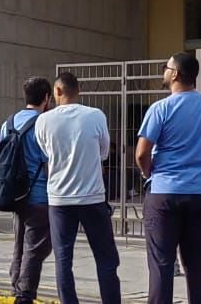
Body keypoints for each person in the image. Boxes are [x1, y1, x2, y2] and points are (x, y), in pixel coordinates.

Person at [135, 53, 201, 304]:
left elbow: (142, 152)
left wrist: (149, 173)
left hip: (164, 191)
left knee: (161, 264)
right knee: (197, 266)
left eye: (166, 68)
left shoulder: (161, 108)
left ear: (174, 74)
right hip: (200, 193)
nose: (164, 71)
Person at [36, 73, 120, 304]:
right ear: (78, 90)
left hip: (59, 199)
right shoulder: (95, 116)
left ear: (58, 91)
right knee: (106, 259)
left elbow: (46, 153)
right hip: (92, 197)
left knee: (63, 259)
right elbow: (104, 152)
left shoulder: (43, 120)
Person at [0, 77, 53, 303]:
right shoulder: (45, 123)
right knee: (36, 246)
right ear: (47, 98)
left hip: (15, 193)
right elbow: (50, 162)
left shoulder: (8, 122)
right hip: (39, 195)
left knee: (20, 242)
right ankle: (25, 293)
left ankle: (16, 285)